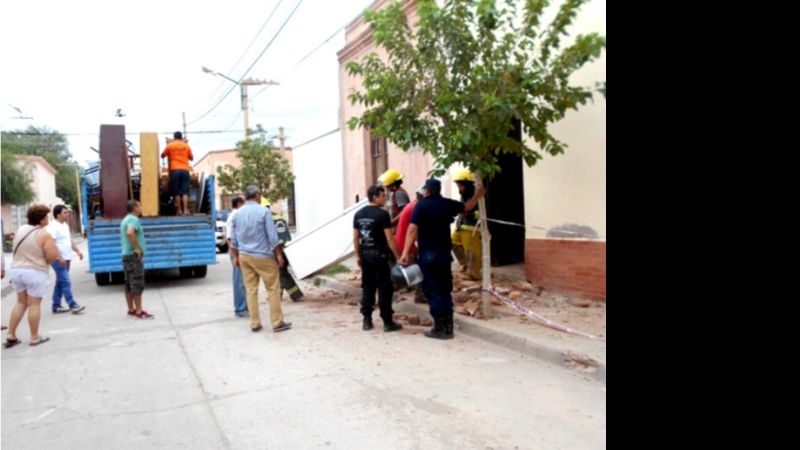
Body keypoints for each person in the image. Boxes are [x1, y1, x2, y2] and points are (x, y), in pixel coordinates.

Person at [399, 179, 485, 340]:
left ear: (427, 191)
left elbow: (412, 229)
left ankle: (440, 328)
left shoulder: (422, 206)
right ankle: (449, 326)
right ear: (438, 190)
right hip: (445, 255)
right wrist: (478, 195)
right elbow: (467, 207)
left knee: (433, 291)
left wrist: (404, 252)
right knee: (445, 289)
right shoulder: (447, 204)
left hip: (428, 255)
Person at [231, 186, 292, 333]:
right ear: (257, 195)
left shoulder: (237, 214)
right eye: (260, 195)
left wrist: (235, 257)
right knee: (272, 288)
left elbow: (233, 240)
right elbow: (272, 236)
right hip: (263, 256)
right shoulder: (263, 211)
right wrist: (278, 255)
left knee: (251, 290)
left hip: (244, 256)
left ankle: (255, 323)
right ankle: (277, 322)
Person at [5, 204, 60, 347]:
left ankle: (11, 334)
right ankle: (34, 337)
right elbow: (51, 257)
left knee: (21, 302)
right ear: (41, 220)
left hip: (16, 270)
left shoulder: (21, 230)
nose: (48, 219)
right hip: (35, 271)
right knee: (34, 304)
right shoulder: (44, 234)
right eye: (47, 217)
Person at [353, 185, 404, 332]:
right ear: (375, 197)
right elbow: (390, 238)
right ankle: (387, 322)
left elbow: (356, 237)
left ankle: (367, 320)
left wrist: (357, 255)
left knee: (368, 288)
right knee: (384, 289)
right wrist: (398, 256)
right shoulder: (382, 215)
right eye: (382, 196)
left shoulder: (358, 214)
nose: (384, 199)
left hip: (366, 256)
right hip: (380, 257)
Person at [262, 198, 304, 302]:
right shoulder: (277, 217)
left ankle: (296, 294)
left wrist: (278, 253)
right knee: (279, 273)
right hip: (282, 249)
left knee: (281, 274)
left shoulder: (267, 219)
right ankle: (277, 295)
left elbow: (276, 238)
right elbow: (285, 236)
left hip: (276, 251)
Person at [47, 205, 86, 314]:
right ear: (58, 214)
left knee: (60, 282)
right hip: (57, 259)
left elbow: (69, 240)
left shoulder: (65, 225)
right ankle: (72, 304)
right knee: (66, 281)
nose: (67, 214)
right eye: (65, 213)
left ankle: (56, 305)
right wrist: (59, 257)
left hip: (67, 258)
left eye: (67, 212)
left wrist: (77, 251)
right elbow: (52, 244)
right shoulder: (52, 226)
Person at [120, 200, 153, 319]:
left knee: (129, 283)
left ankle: (131, 309)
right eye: (140, 205)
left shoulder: (125, 219)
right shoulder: (134, 219)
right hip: (133, 256)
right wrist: (137, 249)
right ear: (134, 208)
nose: (141, 207)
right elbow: (130, 233)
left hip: (126, 255)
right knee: (137, 283)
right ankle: (139, 311)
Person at [395, 185, 426, 303]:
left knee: (415, 269)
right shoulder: (416, 208)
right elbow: (414, 229)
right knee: (419, 270)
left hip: (404, 240)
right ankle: (420, 295)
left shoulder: (412, 205)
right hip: (407, 242)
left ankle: (414, 290)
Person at [450, 169, 482, 280]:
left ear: (467, 184)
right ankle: (465, 265)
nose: (458, 187)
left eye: (460, 184)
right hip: (461, 225)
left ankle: (474, 274)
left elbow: (467, 208)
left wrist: (462, 210)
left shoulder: (474, 194)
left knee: (472, 250)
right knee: (453, 242)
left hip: (472, 227)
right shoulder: (464, 193)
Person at [161, 131, 194, 215]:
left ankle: (179, 210)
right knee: (185, 191)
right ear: (181, 137)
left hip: (175, 170)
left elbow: (162, 155)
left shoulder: (170, 146)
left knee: (177, 192)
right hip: (185, 170)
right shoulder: (186, 146)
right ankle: (186, 210)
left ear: (174, 137)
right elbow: (191, 158)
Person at [226, 196, 248, 317]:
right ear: (239, 204)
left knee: (243, 281)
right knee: (239, 281)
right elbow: (229, 239)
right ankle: (240, 309)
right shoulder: (234, 216)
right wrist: (235, 256)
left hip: (239, 251)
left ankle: (244, 307)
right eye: (244, 202)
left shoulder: (236, 215)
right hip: (236, 252)